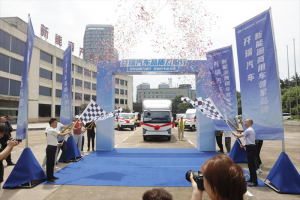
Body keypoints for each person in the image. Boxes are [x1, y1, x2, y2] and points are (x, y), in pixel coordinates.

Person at [232, 118, 258, 186]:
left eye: (246, 122)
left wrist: (233, 133)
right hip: (250, 147)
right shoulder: (249, 130)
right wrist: (244, 145)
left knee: (252, 165)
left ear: (249, 123)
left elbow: (239, 136)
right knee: (250, 164)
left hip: (251, 148)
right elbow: (250, 141)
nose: (244, 123)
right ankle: (252, 178)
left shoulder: (249, 130)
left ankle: (255, 181)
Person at [46, 118, 70, 183]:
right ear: (51, 123)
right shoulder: (50, 130)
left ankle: (52, 175)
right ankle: (49, 178)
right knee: (49, 163)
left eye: (56, 122)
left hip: (54, 146)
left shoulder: (55, 129)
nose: (56, 124)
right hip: (50, 148)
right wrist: (68, 132)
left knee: (52, 163)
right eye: (55, 123)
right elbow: (61, 134)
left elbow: (57, 135)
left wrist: (58, 143)